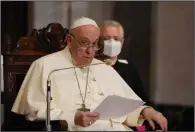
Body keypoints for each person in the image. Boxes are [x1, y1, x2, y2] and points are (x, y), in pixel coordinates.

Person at [11, 17, 167, 131]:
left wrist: (146, 110)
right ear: (69, 39)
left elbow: (124, 105)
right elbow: (33, 111)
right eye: (84, 43)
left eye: (95, 44)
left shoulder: (102, 67)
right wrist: (73, 117)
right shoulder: (45, 65)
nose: (90, 51)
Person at [99, 20, 149, 103]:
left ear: (122, 42)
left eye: (116, 39)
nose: (112, 42)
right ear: (98, 41)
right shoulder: (91, 68)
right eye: (106, 39)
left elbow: (142, 101)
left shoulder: (130, 70)